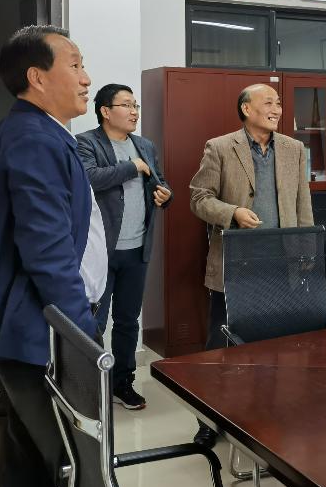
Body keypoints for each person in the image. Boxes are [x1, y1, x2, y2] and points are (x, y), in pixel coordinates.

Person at [0, 25, 105, 487]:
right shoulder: (34, 138)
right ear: (37, 77)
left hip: (38, 325)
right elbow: (47, 251)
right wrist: (81, 334)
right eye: (75, 64)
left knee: (28, 457)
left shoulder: (40, 132)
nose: (86, 78)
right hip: (41, 330)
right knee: (67, 463)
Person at [188, 83, 313, 447]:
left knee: (272, 346)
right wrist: (233, 213)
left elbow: (303, 203)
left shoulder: (293, 149)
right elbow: (199, 198)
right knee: (220, 343)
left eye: (279, 102)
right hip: (236, 263)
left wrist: (306, 251)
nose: (277, 108)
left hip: (281, 264)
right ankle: (208, 418)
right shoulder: (220, 147)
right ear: (246, 109)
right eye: (268, 102)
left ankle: (263, 414)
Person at [76, 84, 171, 411]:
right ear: (105, 111)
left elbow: (158, 180)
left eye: (136, 105)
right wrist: (133, 167)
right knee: (94, 323)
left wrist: (164, 194)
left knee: (128, 321)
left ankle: (122, 383)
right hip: (101, 252)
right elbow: (88, 178)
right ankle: (88, 386)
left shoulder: (144, 145)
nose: (134, 112)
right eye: (127, 105)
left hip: (137, 248)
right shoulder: (86, 142)